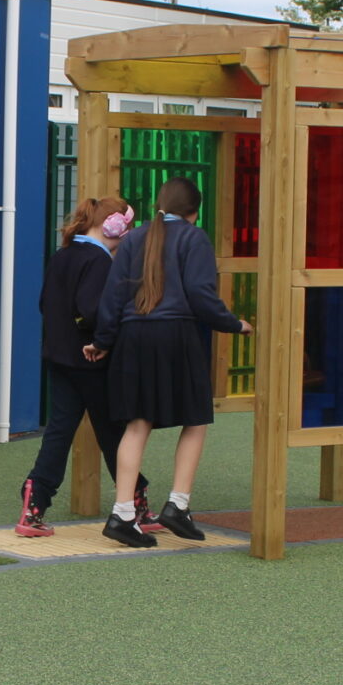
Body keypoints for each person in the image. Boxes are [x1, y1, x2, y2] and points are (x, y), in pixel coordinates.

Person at [89, 176, 252, 548]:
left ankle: (123, 513)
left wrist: (101, 341)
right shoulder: (195, 238)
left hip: (133, 338)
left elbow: (113, 298)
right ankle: (178, 505)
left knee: (137, 423)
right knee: (194, 419)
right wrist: (233, 323)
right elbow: (200, 295)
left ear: (159, 205)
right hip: (178, 337)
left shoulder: (133, 239)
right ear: (194, 211)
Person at [17, 196, 147, 536]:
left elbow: (46, 302)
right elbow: (91, 309)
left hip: (59, 358)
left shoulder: (63, 255)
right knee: (113, 432)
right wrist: (103, 337)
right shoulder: (99, 262)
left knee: (59, 432)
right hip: (90, 360)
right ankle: (136, 501)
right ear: (114, 227)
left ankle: (35, 501)